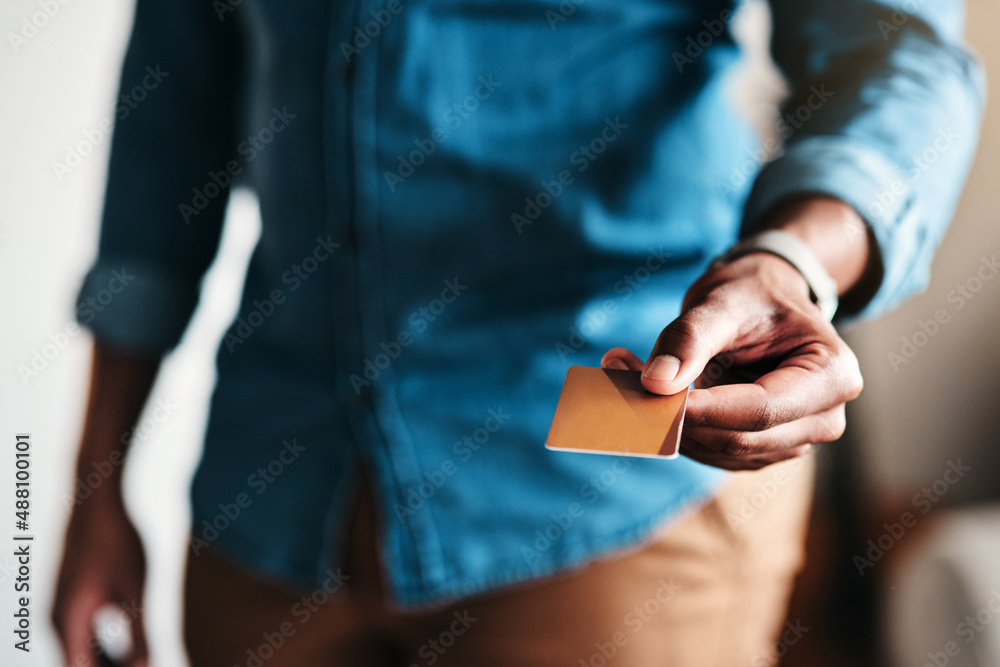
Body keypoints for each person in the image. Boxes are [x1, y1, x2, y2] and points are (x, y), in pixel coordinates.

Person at [53, 0, 984, 665]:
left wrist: (790, 262)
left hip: (618, 503)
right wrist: (95, 483)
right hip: (271, 500)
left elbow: (895, 55)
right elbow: (167, 122)